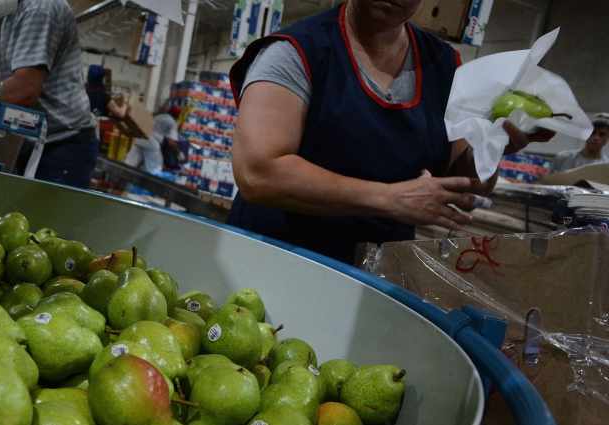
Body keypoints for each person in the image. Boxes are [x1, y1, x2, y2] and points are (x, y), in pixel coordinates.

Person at [228, 0, 550, 264]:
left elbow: (468, 181)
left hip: (373, 274)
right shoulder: (298, 52)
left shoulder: (443, 67)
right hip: (275, 259)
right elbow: (258, 172)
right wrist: (387, 198)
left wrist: (493, 142)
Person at [0, 0, 97, 189]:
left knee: (46, 218)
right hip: (31, 140)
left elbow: (24, 89)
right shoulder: (10, 14)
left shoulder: (40, 8)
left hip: (62, 145)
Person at [124, 102, 180, 174]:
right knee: (155, 171)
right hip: (152, 145)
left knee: (129, 164)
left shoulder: (158, 116)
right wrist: (178, 152)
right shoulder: (172, 122)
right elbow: (172, 142)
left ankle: (117, 181)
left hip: (140, 139)